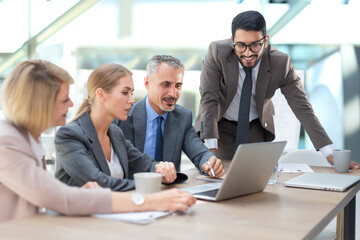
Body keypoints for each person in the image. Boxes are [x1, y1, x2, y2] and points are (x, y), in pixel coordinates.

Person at [0, 60, 195, 222]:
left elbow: (48, 193)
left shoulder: (114, 133)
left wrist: (161, 172)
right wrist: (151, 200)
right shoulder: (6, 143)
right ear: (39, 105)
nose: (70, 104)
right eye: (64, 99)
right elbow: (59, 197)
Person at [194, 10, 360, 169]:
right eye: (241, 45)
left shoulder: (280, 63)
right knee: (221, 176)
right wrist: (211, 152)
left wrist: (328, 153)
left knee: (257, 180)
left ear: (265, 41)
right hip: (221, 126)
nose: (248, 53)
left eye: (255, 45)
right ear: (232, 41)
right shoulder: (217, 52)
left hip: (256, 127)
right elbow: (209, 100)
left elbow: (302, 107)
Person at [55, 63, 179, 192]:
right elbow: (99, 182)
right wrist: (149, 182)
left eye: (132, 93)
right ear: (100, 95)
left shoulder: (115, 133)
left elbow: (145, 165)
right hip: (79, 211)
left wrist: (162, 170)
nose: (131, 100)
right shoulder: (69, 135)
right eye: (125, 92)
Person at [116, 55, 225, 177]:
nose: (173, 94)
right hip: (133, 191)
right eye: (166, 84)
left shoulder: (183, 117)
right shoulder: (122, 118)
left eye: (178, 85)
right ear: (147, 83)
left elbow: (199, 153)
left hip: (169, 190)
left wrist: (209, 162)